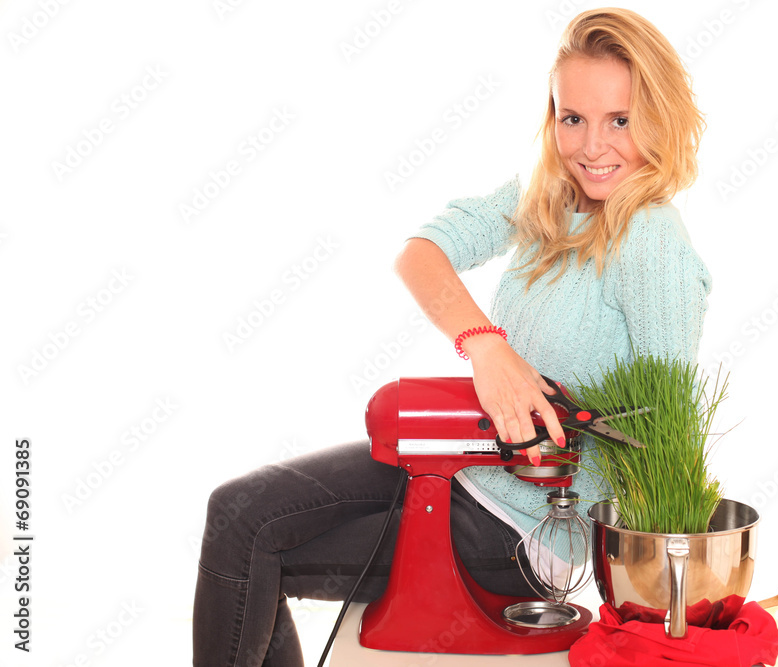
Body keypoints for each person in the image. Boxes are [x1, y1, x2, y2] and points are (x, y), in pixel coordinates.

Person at [192, 8, 710, 666]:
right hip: (463, 463)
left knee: (251, 543)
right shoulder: (550, 198)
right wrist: (485, 346)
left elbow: (665, 434)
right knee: (237, 510)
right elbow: (420, 253)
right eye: (572, 118)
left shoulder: (652, 239)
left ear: (659, 118)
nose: (591, 147)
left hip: (523, 530)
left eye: (621, 121)